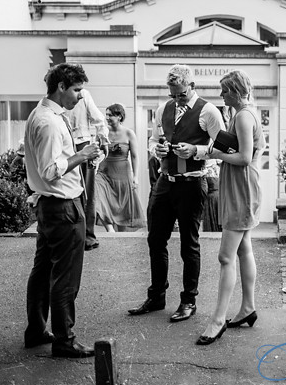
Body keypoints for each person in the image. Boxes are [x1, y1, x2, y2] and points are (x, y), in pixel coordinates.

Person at [128, 64, 225, 323]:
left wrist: (197, 151)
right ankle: (157, 295)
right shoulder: (163, 109)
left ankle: (188, 300)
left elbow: (225, 148)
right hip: (165, 182)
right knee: (155, 240)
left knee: (188, 244)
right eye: (173, 94)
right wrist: (155, 150)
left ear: (192, 86)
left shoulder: (209, 111)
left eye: (181, 94)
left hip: (193, 183)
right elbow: (152, 140)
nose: (176, 98)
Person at [23, 63, 101, 358]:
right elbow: (50, 169)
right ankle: (65, 341)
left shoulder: (41, 115)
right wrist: (81, 155)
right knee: (65, 278)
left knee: (42, 272)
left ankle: (37, 330)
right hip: (63, 207)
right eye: (77, 90)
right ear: (61, 87)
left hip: (49, 205)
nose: (81, 96)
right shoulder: (50, 123)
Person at [197, 70, 264, 345]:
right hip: (242, 187)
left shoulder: (244, 116)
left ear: (235, 91)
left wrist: (216, 153)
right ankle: (248, 308)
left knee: (226, 257)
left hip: (242, 188)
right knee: (244, 248)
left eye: (224, 91)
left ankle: (217, 320)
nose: (221, 96)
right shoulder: (244, 114)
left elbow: (245, 158)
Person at [65, 87, 109, 251]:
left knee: (84, 191)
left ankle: (86, 236)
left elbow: (98, 119)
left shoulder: (82, 94)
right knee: (80, 192)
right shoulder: (77, 94)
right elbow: (99, 119)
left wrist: (103, 138)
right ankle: (83, 236)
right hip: (70, 145)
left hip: (78, 144)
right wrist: (103, 140)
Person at [94, 103, 146, 232]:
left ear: (119, 116)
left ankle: (121, 236)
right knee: (99, 196)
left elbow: (134, 156)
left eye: (110, 115)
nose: (107, 118)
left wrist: (135, 177)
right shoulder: (102, 132)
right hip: (104, 171)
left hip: (122, 172)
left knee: (122, 205)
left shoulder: (129, 133)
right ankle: (110, 229)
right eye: (106, 115)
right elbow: (95, 151)